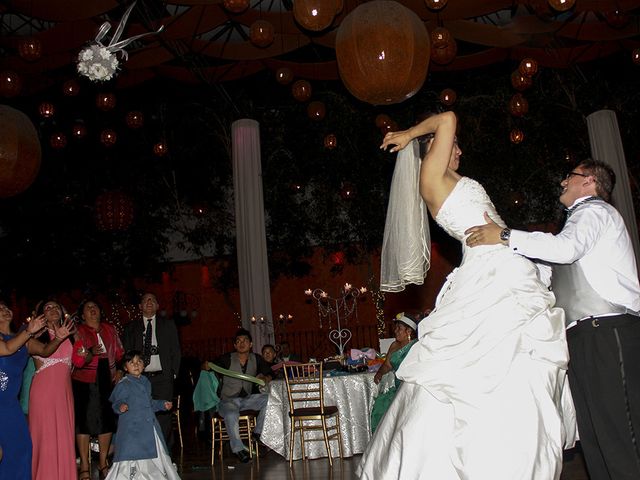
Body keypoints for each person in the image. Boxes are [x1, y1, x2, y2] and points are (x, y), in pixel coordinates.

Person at [357, 111, 571, 479]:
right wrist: (408, 133)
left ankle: (514, 455)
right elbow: (449, 117)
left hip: (507, 267)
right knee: (469, 368)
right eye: (453, 144)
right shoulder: (431, 176)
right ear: (432, 149)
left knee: (517, 359)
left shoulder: (454, 177)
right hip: (486, 272)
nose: (458, 148)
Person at [465, 159, 640, 480]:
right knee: (595, 435)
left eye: (570, 176)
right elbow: (546, 271)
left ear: (588, 182)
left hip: (609, 330)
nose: (562, 182)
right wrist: (498, 255)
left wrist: (504, 234)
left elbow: (566, 249)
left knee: (618, 431)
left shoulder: (596, 212)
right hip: (583, 337)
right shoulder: (574, 225)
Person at [0, 302, 62, 480]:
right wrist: (28, 331)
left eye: (6, 307)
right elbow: (7, 349)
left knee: (21, 451)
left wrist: (58, 338)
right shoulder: (21, 337)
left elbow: (44, 350)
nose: (4, 310)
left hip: (11, 406)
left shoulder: (24, 340)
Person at [105, 350, 180, 480]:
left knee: (151, 452)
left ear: (144, 365)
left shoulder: (145, 382)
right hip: (132, 429)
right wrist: (120, 407)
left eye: (139, 362)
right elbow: (116, 402)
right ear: (125, 367)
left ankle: (152, 474)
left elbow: (149, 403)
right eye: (131, 362)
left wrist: (162, 404)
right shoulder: (123, 384)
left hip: (148, 428)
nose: (136, 365)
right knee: (132, 453)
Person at [72, 299, 124, 480]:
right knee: (84, 421)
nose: (93, 310)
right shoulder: (78, 331)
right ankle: (85, 466)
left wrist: (120, 370)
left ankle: (103, 463)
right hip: (84, 380)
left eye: (95, 307)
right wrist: (90, 352)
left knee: (106, 420)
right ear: (82, 315)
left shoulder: (110, 329)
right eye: (88, 308)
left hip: (105, 377)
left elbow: (120, 354)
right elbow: (77, 360)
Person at [122, 292, 181, 446]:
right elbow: (126, 352)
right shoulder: (131, 328)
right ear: (140, 306)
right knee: (140, 413)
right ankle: (145, 451)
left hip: (163, 378)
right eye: (146, 300)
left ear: (158, 306)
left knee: (163, 415)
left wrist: (173, 373)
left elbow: (176, 350)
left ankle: (164, 453)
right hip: (140, 379)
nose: (149, 302)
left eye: (153, 300)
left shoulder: (167, 325)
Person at [28, 300, 78, 480]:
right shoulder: (35, 335)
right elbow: (46, 351)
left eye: (56, 306)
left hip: (64, 393)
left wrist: (84, 353)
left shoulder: (71, 334)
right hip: (44, 393)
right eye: (47, 308)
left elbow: (82, 357)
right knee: (46, 438)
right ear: (41, 314)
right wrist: (59, 337)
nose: (52, 309)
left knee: (64, 437)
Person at [207, 328, 272, 463]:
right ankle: (238, 449)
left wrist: (265, 378)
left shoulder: (257, 358)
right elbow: (208, 366)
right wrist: (206, 366)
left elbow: (270, 372)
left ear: (251, 344)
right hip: (227, 401)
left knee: (269, 399)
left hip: (246, 400)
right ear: (235, 345)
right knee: (231, 414)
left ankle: (257, 433)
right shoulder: (226, 358)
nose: (242, 343)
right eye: (238, 341)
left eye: (245, 341)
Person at [370, 312, 420, 433]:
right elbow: (387, 364)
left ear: (409, 331)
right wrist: (380, 373)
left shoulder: (416, 346)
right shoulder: (394, 345)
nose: (396, 331)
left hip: (411, 386)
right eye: (396, 328)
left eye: (399, 328)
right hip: (398, 385)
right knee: (380, 407)